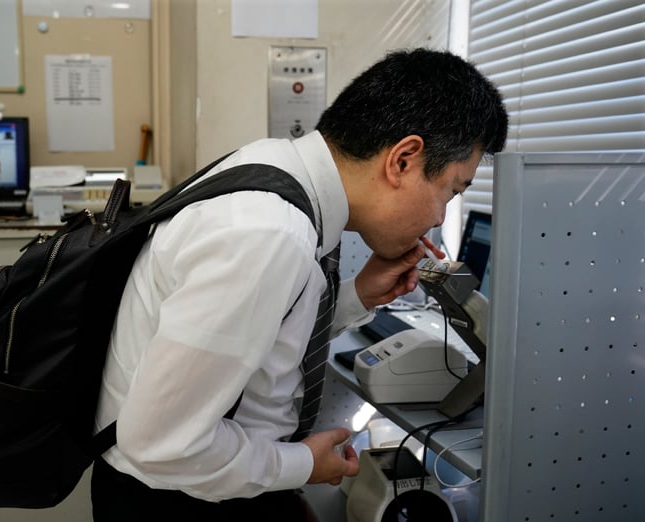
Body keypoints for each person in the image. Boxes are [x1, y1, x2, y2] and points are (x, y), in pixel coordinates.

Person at [91, 47, 508, 521]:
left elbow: (259, 334)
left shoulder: (275, 170)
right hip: (179, 495)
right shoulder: (269, 232)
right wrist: (303, 464)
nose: (439, 218)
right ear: (403, 160)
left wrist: (358, 295)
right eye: (451, 191)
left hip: (202, 478)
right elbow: (160, 443)